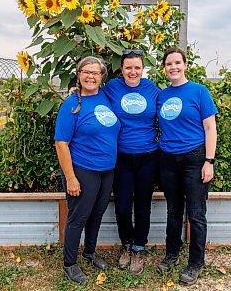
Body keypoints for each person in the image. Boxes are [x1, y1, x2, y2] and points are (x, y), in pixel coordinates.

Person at [54, 56, 121, 284]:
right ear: (79, 74)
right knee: (78, 217)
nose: (91, 76)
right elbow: (61, 143)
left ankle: (90, 252)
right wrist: (71, 178)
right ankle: (69, 264)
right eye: (86, 72)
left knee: (97, 213)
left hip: (107, 169)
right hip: (83, 169)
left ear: (102, 77)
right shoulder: (72, 104)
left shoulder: (105, 96)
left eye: (96, 73)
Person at [156, 47, 218, 286]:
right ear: (165, 67)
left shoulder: (199, 92)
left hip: (195, 159)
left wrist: (208, 161)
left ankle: (195, 263)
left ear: (185, 64)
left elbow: (210, 128)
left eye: (177, 63)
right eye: (169, 64)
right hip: (168, 159)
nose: (173, 67)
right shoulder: (161, 95)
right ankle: (171, 253)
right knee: (173, 211)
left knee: (196, 213)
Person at [102, 49, 160, 274]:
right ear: (122, 69)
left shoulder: (152, 89)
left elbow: (169, 110)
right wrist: (75, 91)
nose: (133, 71)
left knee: (143, 205)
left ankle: (139, 247)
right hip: (121, 157)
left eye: (137, 67)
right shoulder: (112, 88)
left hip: (148, 156)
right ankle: (126, 244)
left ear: (142, 69)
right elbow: (92, 95)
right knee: (123, 206)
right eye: (128, 67)